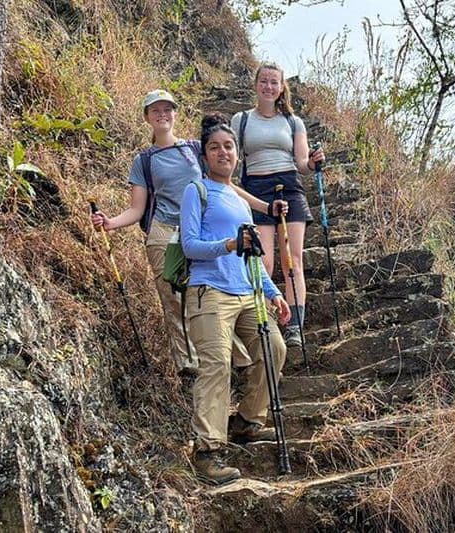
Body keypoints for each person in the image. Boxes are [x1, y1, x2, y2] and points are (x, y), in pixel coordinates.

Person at [91, 90, 284, 384]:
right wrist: (110, 223)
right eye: (155, 110)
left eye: (167, 109)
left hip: (202, 229)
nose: (162, 115)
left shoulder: (196, 149)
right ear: (146, 117)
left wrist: (264, 207)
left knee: (205, 296)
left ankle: (240, 360)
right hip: (164, 232)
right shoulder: (143, 161)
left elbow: (226, 186)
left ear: (175, 113)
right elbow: (136, 208)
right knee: (173, 299)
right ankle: (188, 366)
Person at [180, 113, 290, 485]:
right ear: (205, 156)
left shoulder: (240, 201)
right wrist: (227, 244)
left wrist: (274, 293)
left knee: (274, 347)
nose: (223, 152)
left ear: (237, 154)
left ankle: (245, 421)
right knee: (215, 365)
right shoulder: (196, 191)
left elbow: (253, 257)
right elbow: (189, 246)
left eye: (228, 146)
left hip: (247, 292)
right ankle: (208, 450)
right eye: (215, 147)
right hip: (209, 291)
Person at [231, 62, 325, 348]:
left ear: (282, 86)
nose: (269, 87)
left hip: (289, 188)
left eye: (275, 82)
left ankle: (295, 324)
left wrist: (312, 162)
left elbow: (301, 164)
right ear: (256, 84)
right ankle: (267, 319)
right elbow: (234, 160)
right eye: (265, 81)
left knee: (292, 260)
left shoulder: (293, 121)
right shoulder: (241, 120)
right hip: (256, 189)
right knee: (264, 261)